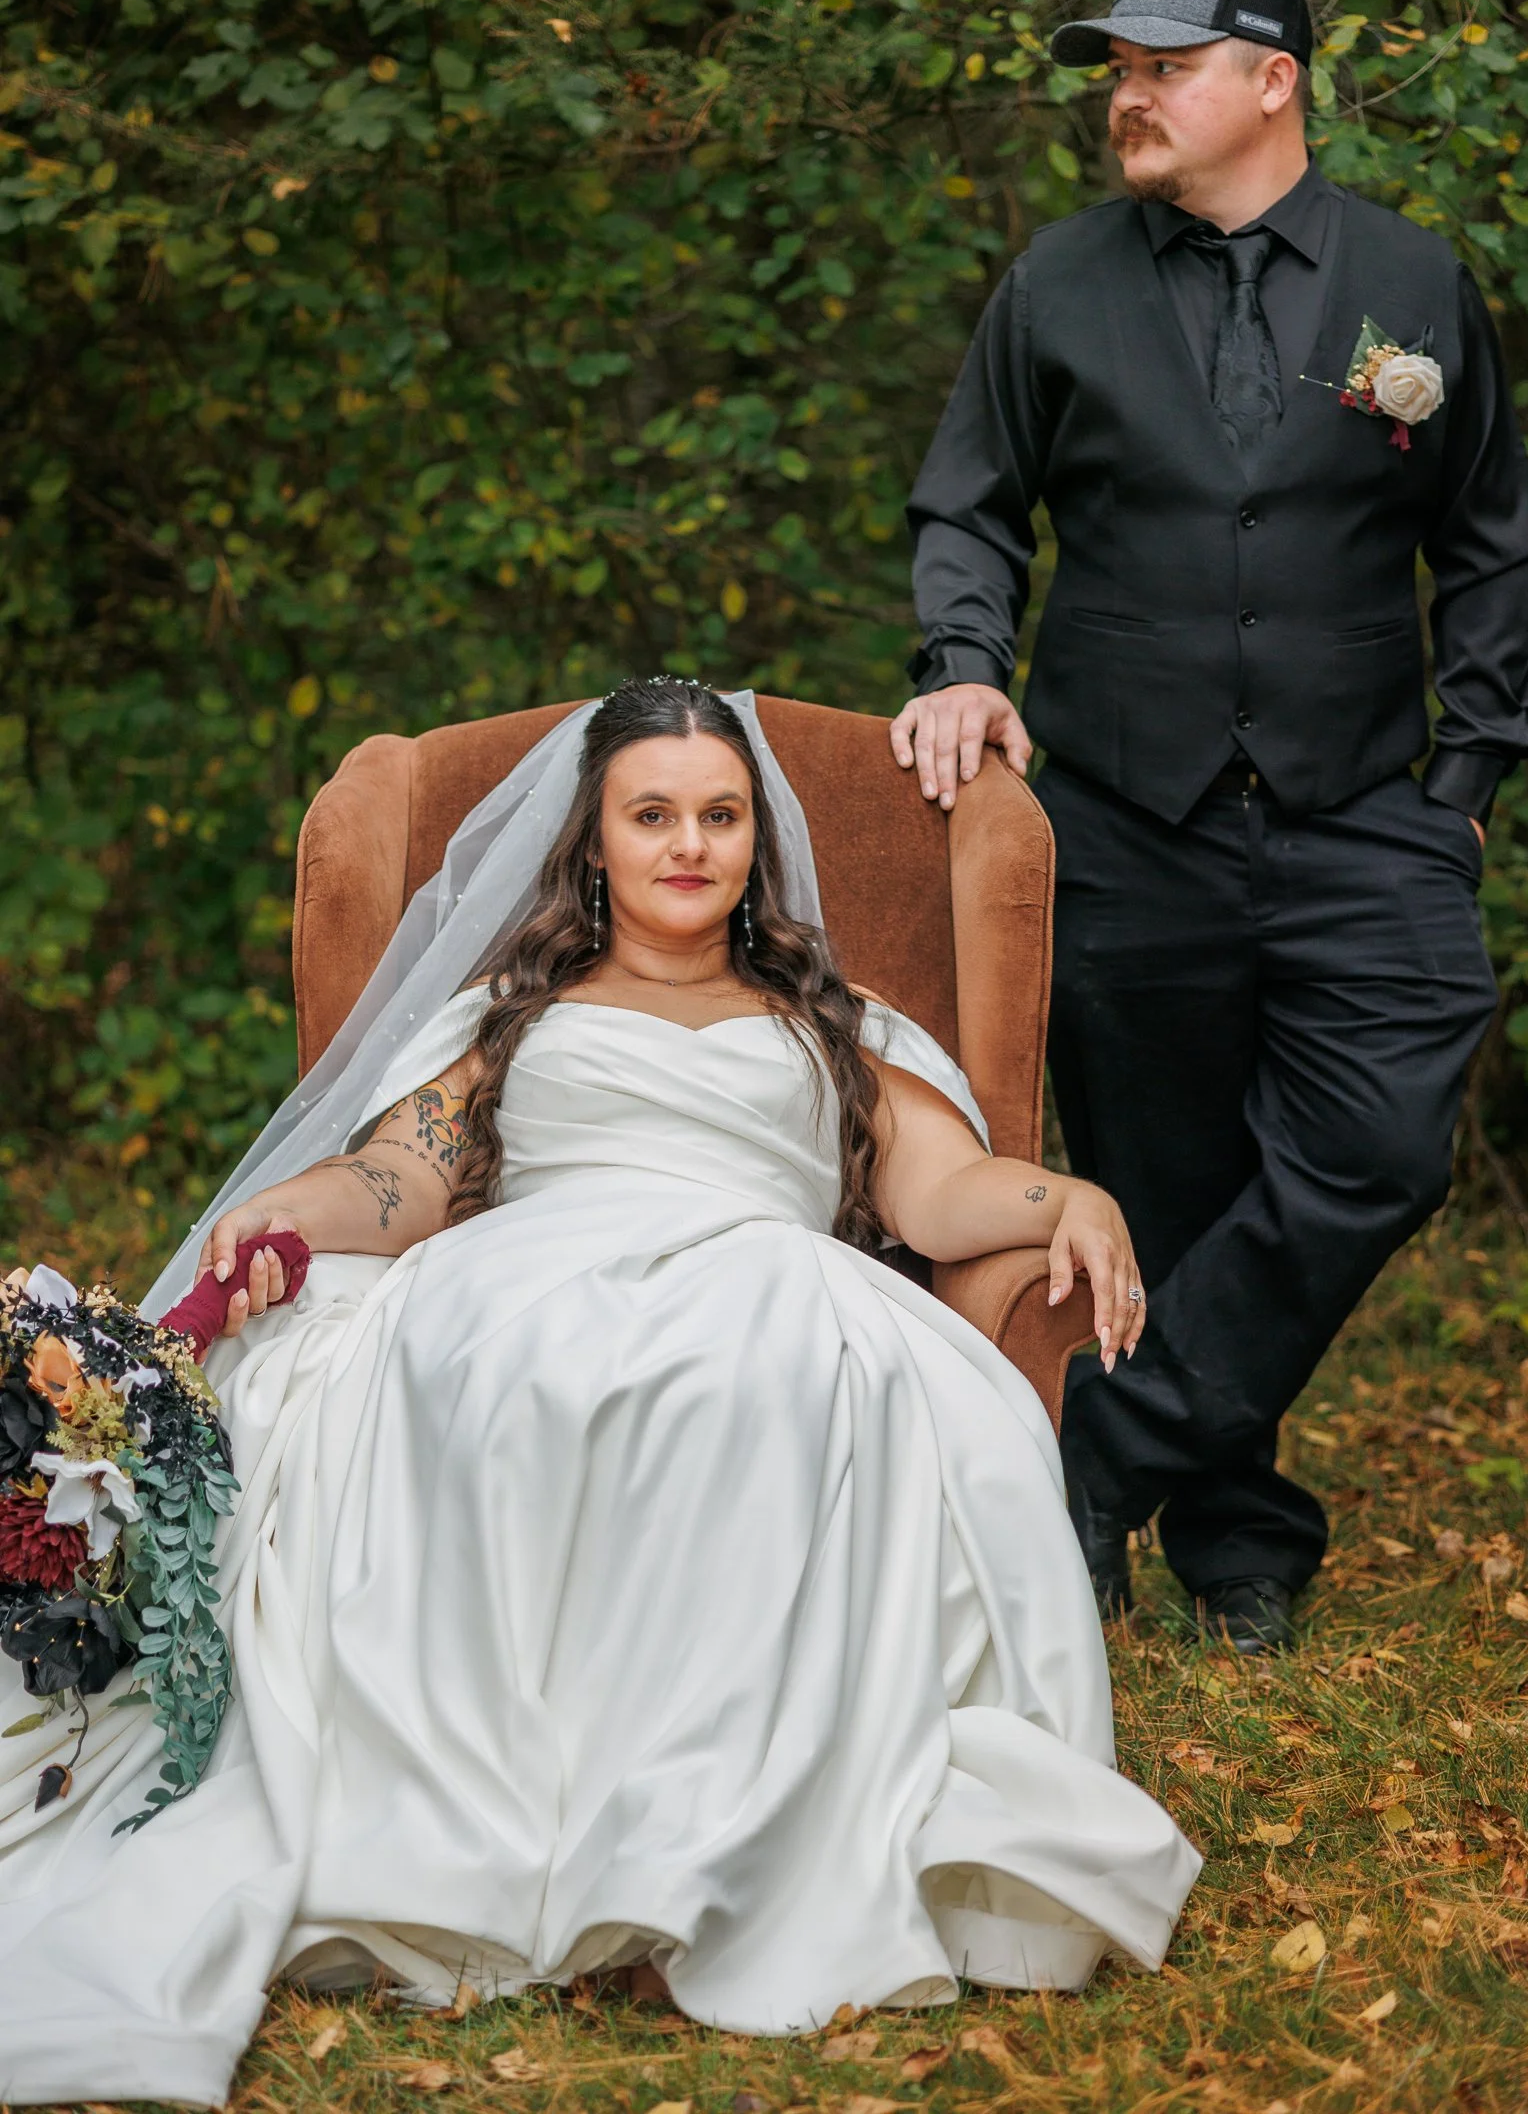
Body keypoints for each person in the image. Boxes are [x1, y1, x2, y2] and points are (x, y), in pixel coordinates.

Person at [0, 678, 1199, 2106]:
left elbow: (940, 1196)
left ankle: (703, 1848)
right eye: (653, 816)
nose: (688, 845)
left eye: (719, 816)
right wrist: (281, 1215)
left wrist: (1071, 1198)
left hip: (765, 1275)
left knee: (760, 1380)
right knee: (493, 1371)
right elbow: (394, 1183)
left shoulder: (833, 1021)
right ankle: (517, 1830)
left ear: (757, 838)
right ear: (597, 841)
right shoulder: (515, 1015)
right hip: (523, 1274)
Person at [891, 0, 1528, 1653]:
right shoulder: (1057, 284)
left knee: (1383, 1146)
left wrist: (1469, 777)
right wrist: (963, 662)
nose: (1128, 95)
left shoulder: (1411, 282)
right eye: (1118, 68)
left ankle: (1094, 1461)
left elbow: (1491, 546)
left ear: (1274, 81)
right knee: (1165, 1186)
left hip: (1366, 811)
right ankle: (1236, 1543)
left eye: (1164, 66)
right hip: (1125, 812)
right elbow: (968, 506)